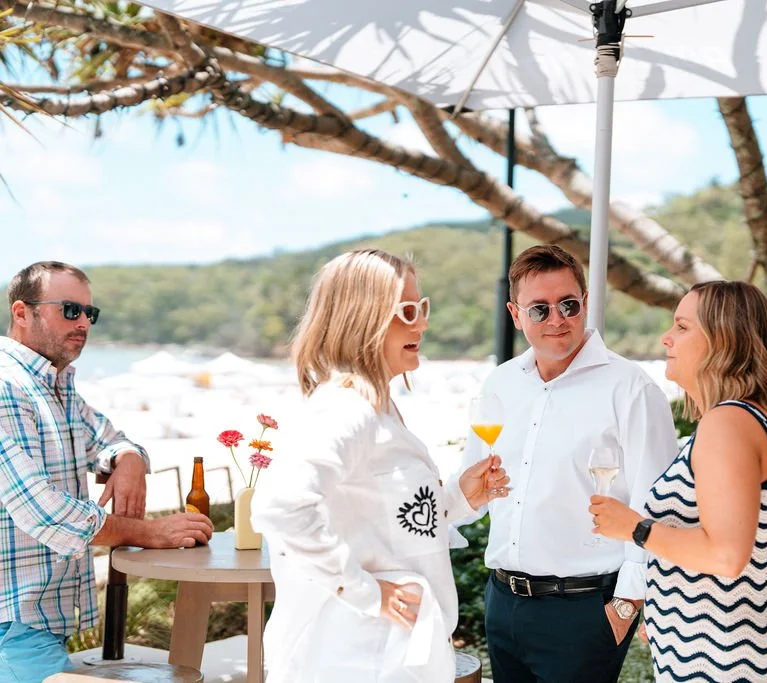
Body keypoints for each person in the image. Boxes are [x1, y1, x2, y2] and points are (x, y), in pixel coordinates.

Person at [250, 249, 510, 683]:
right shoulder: (345, 409)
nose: (422, 324)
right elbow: (280, 507)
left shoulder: (378, 407)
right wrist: (364, 592)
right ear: (362, 319)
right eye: (406, 312)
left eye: (422, 308)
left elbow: (385, 522)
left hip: (390, 654)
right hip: (354, 657)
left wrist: (457, 499)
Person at [453, 245, 678, 683]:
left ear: (585, 303)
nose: (557, 319)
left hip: (586, 612)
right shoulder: (500, 384)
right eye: (539, 309)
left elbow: (657, 503)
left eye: (568, 304)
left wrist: (626, 604)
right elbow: (472, 489)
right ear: (515, 315)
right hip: (503, 601)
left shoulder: (631, 388)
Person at [0, 261, 215, 683]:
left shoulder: (54, 387)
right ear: (22, 313)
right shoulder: (7, 387)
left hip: (32, 627)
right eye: (69, 310)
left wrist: (129, 460)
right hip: (12, 627)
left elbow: (111, 439)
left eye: (89, 313)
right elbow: (43, 511)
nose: (83, 323)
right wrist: (149, 532)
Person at [590, 280, 767, 682]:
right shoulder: (747, 419)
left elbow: (726, 556)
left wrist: (635, 528)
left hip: (724, 661)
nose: (666, 337)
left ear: (724, 340)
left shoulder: (728, 423)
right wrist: (667, 609)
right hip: (721, 650)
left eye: (682, 327)